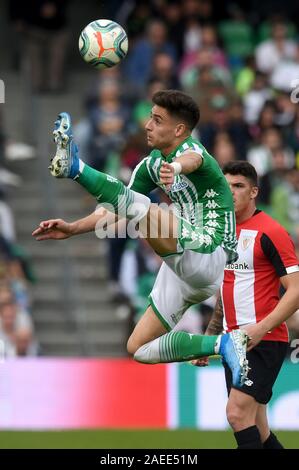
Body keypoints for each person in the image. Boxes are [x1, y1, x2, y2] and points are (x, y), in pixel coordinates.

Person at [32, 89, 249, 386]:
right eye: (150, 117)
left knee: (144, 209)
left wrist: (174, 167)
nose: (147, 125)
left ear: (179, 130)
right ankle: (222, 346)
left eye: (157, 120)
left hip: (210, 252)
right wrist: (73, 228)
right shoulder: (149, 165)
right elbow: (118, 208)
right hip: (181, 267)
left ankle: (76, 168)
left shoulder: (196, 153)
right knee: (138, 348)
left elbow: (191, 161)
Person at [197, 161, 299, 449]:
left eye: (238, 186)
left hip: (263, 340)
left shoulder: (271, 232)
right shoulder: (224, 232)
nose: (230, 192)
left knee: (236, 413)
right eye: (226, 186)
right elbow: (226, 287)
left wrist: (261, 327)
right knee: (259, 428)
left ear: (253, 191)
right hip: (233, 342)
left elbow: (296, 290)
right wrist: (210, 336)